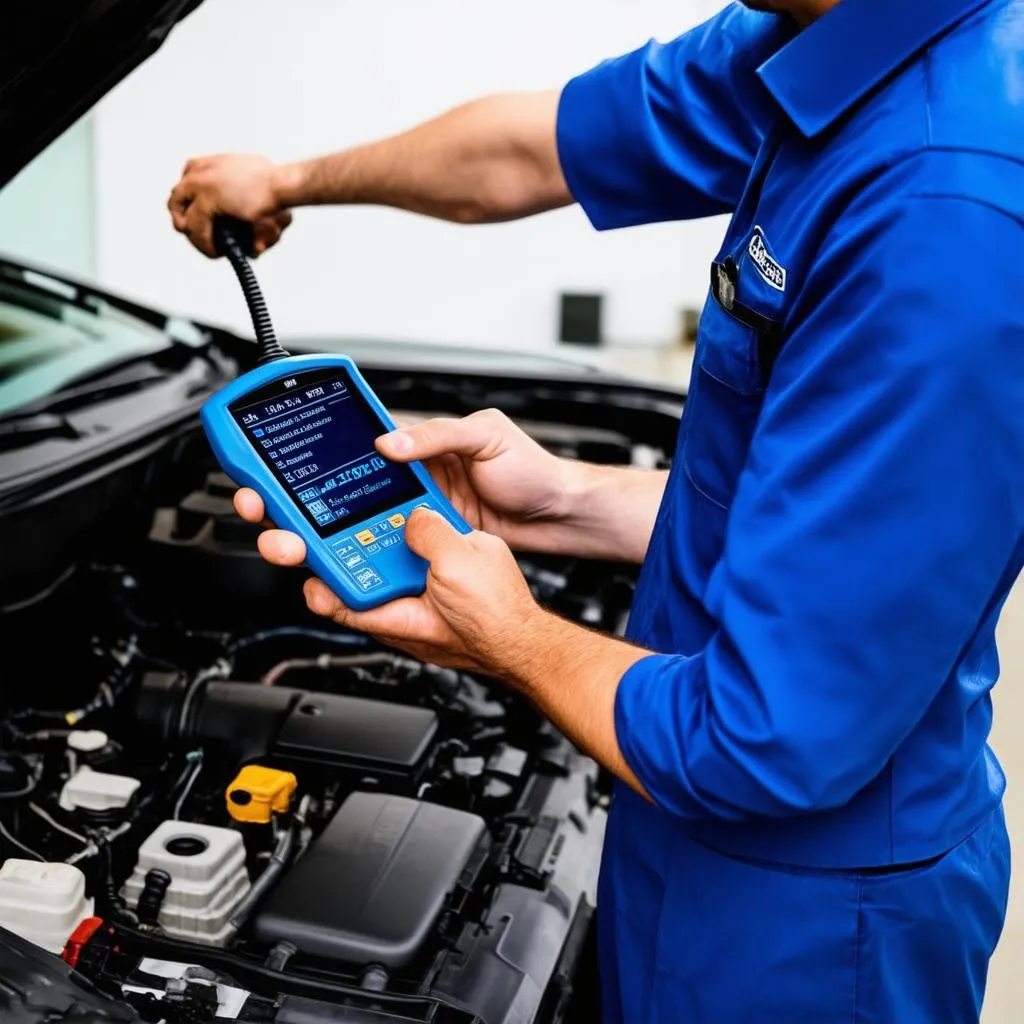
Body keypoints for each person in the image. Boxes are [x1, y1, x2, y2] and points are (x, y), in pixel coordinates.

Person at [168, 0, 1023, 1020]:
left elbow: (768, 734)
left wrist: (514, 638)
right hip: (675, 795)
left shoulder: (944, 212)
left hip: (804, 914)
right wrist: (569, 500)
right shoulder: (804, 38)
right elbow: (528, 150)